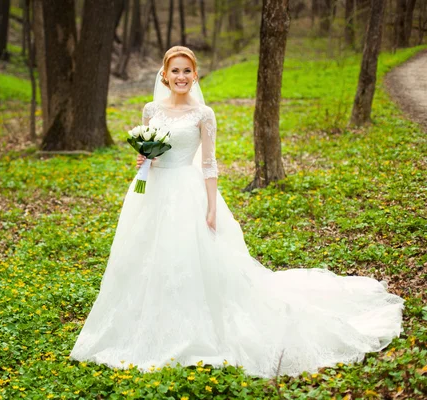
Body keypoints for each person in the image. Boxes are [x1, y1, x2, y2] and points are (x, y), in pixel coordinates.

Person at [69, 46, 404, 378]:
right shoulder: (150, 110)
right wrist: (145, 160)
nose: (181, 77)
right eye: (175, 71)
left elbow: (209, 164)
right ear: (165, 75)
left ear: (195, 75)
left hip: (189, 191)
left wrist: (212, 207)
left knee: (192, 258)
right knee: (146, 259)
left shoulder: (204, 115)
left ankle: (196, 327)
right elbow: (148, 155)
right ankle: (146, 326)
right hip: (152, 194)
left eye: (187, 71)